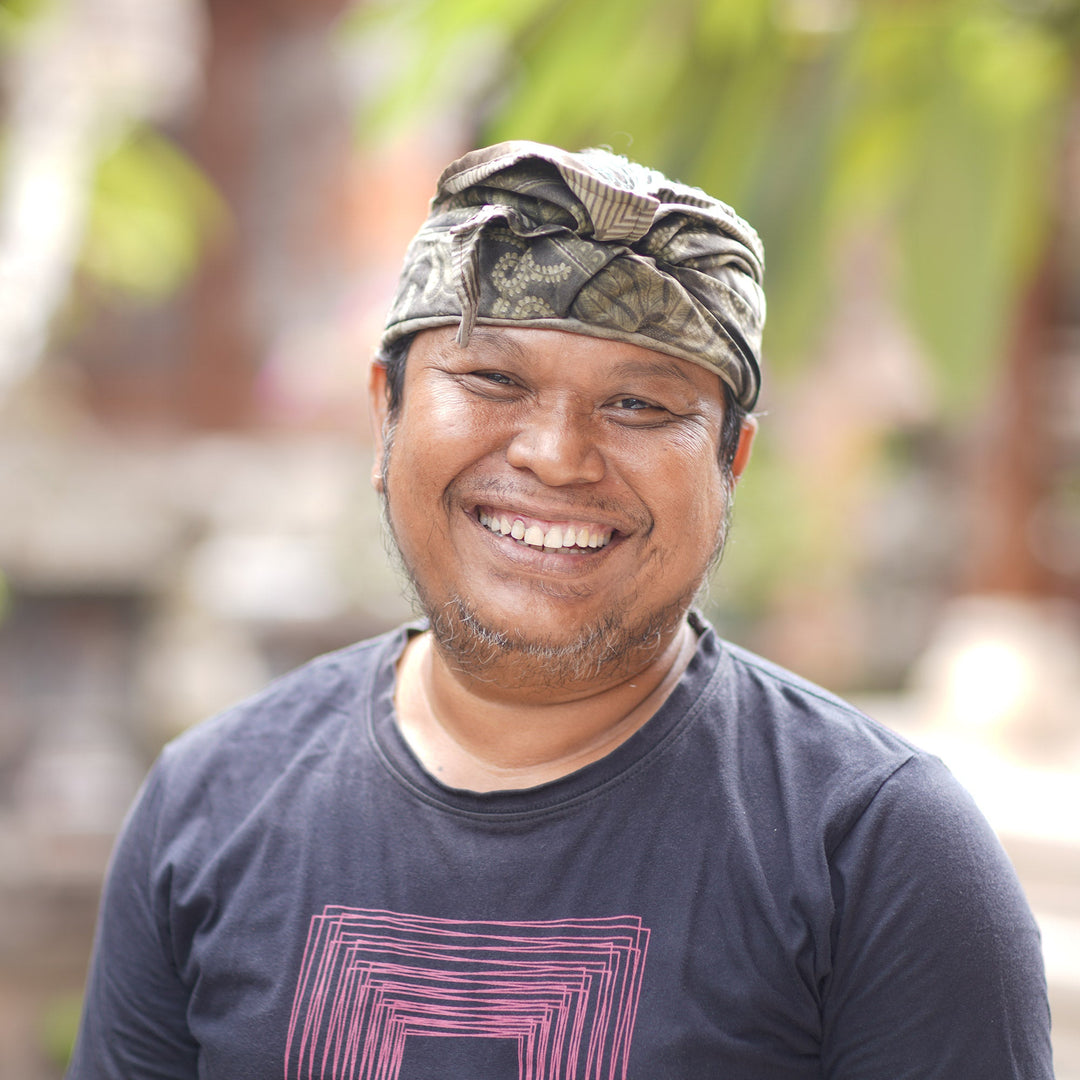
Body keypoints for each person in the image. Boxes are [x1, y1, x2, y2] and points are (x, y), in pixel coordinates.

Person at [67, 141, 1053, 1079]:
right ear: (386, 414)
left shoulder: (877, 855)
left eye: (640, 406)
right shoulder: (208, 809)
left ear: (731, 466)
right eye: (493, 378)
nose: (556, 454)